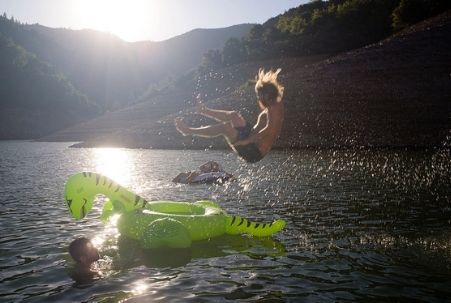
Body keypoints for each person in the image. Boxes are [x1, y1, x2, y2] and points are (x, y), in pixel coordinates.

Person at [175, 68, 284, 163]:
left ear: (266, 94)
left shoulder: (274, 107)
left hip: (254, 150)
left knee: (225, 127)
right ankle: (204, 110)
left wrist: (247, 141)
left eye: (258, 95)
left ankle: (188, 130)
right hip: (250, 136)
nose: (258, 98)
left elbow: (269, 130)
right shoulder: (272, 105)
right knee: (234, 115)